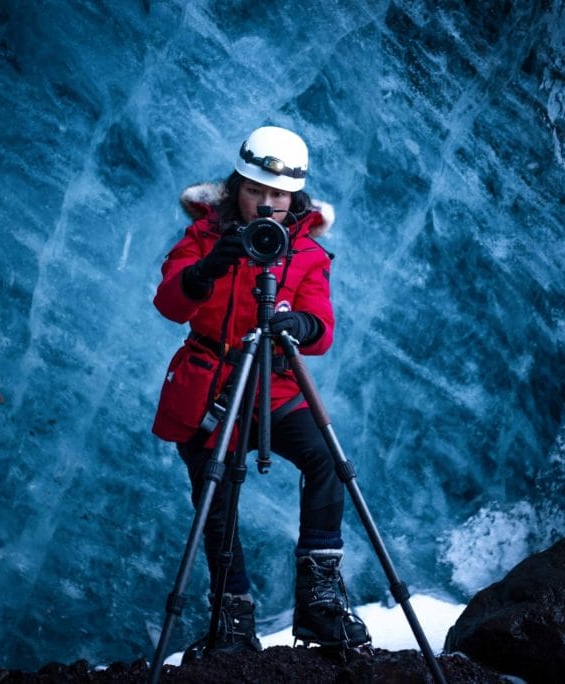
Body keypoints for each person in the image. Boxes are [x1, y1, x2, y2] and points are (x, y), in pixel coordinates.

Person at [151, 126, 371, 656]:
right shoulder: (204, 237)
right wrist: (210, 266)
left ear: (294, 197)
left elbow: (322, 327)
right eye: (255, 191)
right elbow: (169, 304)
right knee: (216, 495)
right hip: (213, 388)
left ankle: (319, 602)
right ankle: (232, 617)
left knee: (325, 460)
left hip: (273, 387)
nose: (267, 204)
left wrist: (298, 326)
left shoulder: (308, 253)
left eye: (278, 195)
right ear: (237, 188)